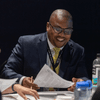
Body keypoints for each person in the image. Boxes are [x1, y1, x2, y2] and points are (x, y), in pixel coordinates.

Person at [1, 9, 88, 91]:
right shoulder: (26, 44)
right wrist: (22, 80)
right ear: (48, 26)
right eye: (58, 29)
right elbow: (7, 71)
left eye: (67, 31)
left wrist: (80, 82)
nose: (62, 35)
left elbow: (84, 78)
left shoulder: (77, 51)